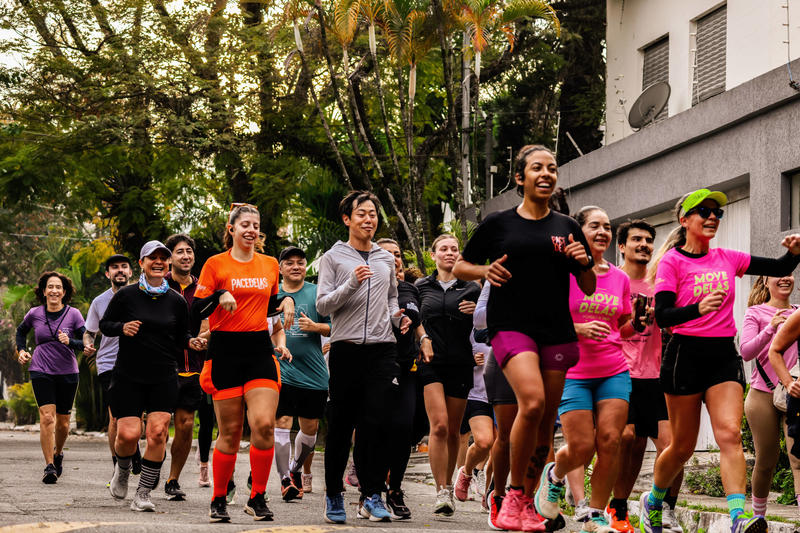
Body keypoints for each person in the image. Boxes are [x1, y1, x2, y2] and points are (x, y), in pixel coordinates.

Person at [636, 188, 800, 533]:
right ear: (685, 220)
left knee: (729, 435)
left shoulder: (728, 257)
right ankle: (653, 500)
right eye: (704, 212)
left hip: (722, 356)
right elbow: (663, 316)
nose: (713, 217)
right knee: (681, 447)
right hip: (684, 356)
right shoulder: (672, 262)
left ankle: (739, 517)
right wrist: (698, 308)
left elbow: (779, 266)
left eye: (717, 213)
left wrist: (795, 254)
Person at [454, 145, 595, 532]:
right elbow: (461, 264)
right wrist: (484, 271)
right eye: (537, 168)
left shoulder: (567, 226)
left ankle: (530, 502)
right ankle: (512, 493)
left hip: (556, 331)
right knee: (530, 403)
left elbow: (587, 284)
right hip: (510, 325)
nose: (546, 174)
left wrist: (584, 262)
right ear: (520, 178)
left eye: (552, 168)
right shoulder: (499, 224)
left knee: (546, 420)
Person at [192, 203, 295, 523]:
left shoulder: (268, 265)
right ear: (231, 228)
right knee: (231, 432)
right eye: (245, 224)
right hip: (224, 351)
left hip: (258, 350)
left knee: (264, 425)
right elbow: (195, 310)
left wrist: (288, 300)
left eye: (256, 225)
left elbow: (271, 303)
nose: (251, 229)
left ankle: (258, 496)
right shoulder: (215, 264)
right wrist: (219, 295)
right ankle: (219, 498)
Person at [533, 206, 633, 533]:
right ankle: (555, 475)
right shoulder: (561, 273)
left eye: (607, 226)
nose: (603, 231)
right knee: (582, 446)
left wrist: (645, 321)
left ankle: (594, 512)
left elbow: (622, 323)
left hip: (614, 369)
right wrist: (578, 329)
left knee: (610, 441)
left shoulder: (619, 278)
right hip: (573, 370)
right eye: (595, 226)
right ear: (579, 232)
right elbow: (542, 320)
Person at [316, 190, 411, 524]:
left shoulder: (385, 258)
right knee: (342, 426)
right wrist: (351, 284)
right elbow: (323, 305)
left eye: (373, 214)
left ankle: (372, 494)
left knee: (377, 422)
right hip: (346, 348)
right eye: (362, 214)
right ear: (347, 219)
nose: (369, 219)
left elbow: (390, 299)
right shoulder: (333, 258)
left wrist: (399, 318)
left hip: (383, 349)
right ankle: (333, 494)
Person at [100, 241, 206, 512]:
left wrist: (191, 342)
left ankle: (143, 494)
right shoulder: (127, 295)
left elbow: (181, 334)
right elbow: (105, 325)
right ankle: (123, 471)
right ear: (142, 263)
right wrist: (123, 327)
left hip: (163, 374)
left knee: (157, 433)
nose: (158, 262)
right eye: (152, 258)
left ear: (168, 264)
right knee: (128, 435)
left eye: (163, 258)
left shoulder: (177, 301)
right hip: (128, 375)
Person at [608, 220, 682, 533]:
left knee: (675, 447)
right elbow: (604, 327)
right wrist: (632, 324)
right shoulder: (612, 282)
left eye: (649, 240)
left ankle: (662, 508)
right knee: (629, 440)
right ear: (621, 247)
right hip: (620, 370)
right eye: (636, 239)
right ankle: (618, 507)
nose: (644, 244)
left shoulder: (659, 285)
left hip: (657, 374)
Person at [416, 234, 481, 517]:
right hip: (429, 362)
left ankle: (451, 483)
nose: (450, 253)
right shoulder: (421, 287)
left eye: (455, 249)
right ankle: (441, 491)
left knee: (455, 430)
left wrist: (477, 310)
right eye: (443, 248)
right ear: (433, 255)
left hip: (461, 363)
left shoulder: (472, 287)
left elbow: (488, 320)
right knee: (439, 426)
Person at [378, 237, 431, 520]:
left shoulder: (409, 288)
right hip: (375, 366)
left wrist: (424, 338)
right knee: (376, 428)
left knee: (405, 428)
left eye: (397, 254)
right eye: (387, 254)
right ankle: (371, 490)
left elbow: (416, 318)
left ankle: (395, 489)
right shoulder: (368, 287)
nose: (395, 258)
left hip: (407, 367)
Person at [16, 271, 86, 484]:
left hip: (68, 371)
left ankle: (58, 453)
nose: (54, 290)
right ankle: (49, 466)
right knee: (47, 417)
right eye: (50, 287)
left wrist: (71, 342)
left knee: (63, 424)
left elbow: (86, 342)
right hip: (41, 369)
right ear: (44, 291)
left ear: (64, 292)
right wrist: (21, 350)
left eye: (58, 287)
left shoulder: (74, 314)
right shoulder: (34, 313)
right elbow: (21, 332)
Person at [273, 245, 331, 501]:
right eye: (289, 263)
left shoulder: (316, 293)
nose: (295, 266)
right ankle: (285, 479)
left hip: (314, 372)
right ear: (280, 268)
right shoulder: (272, 293)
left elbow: (335, 326)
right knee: (282, 423)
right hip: (281, 370)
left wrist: (315, 326)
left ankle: (295, 468)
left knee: (310, 430)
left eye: (300, 262)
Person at [743, 275, 800, 517]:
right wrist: (771, 328)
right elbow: (746, 352)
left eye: (789, 275)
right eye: (778, 275)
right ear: (765, 282)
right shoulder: (755, 313)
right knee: (766, 462)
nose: (785, 279)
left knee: (798, 458)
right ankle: (758, 518)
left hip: (794, 393)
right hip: (762, 394)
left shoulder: (798, 312)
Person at [83, 254, 137, 479]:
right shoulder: (99, 301)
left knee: (135, 415)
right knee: (116, 415)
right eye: (115, 268)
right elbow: (89, 332)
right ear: (108, 274)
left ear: (131, 272)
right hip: (108, 364)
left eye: (124, 267)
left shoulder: (141, 296)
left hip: (137, 362)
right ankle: (120, 464)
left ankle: (132, 453)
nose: (120, 271)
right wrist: (88, 345)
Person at [160, 233, 205, 501]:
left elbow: (210, 323)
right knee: (159, 425)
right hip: (162, 367)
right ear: (170, 258)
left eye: (189, 251)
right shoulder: (158, 287)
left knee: (186, 424)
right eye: (180, 251)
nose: (185, 256)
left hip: (194, 367)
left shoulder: (204, 289)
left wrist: (202, 338)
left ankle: (173, 479)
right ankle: (151, 465)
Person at [453, 321, 494, 506]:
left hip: (507, 394)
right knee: (484, 442)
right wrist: (471, 360)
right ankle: (466, 472)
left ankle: (492, 493)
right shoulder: (470, 325)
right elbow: (452, 353)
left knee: (502, 447)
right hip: (478, 393)